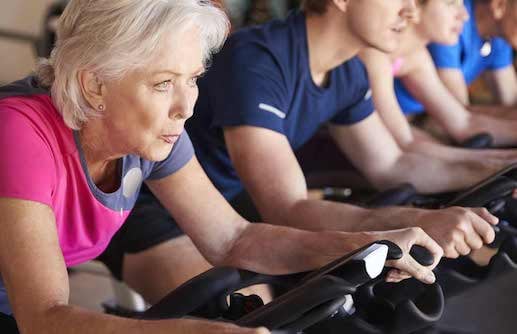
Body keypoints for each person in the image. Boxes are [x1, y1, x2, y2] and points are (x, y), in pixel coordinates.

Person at [0, 0, 444, 333]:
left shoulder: (149, 132)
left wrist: (364, 246)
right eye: (163, 84)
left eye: (192, 79)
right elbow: (43, 317)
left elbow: (232, 237)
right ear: (94, 84)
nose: (186, 106)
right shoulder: (20, 134)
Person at [359, 0, 517, 148]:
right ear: (413, 6)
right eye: (450, 3)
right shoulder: (376, 56)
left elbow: (462, 121)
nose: (464, 15)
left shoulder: (418, 56)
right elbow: (402, 143)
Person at [403, 0, 517, 116]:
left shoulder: (499, 40)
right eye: (451, 3)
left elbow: (510, 100)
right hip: (411, 116)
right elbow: (459, 113)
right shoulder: (448, 26)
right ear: (499, 5)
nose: (464, 15)